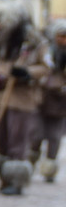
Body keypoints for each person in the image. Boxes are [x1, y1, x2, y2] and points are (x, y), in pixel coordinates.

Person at [0, 0, 47, 195]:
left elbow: (46, 67)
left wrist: (27, 72)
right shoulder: (2, 42)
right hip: (1, 97)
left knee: (17, 141)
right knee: (1, 139)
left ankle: (16, 181)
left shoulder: (35, 43)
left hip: (22, 100)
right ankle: (5, 177)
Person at [33, 19, 66, 182]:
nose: (63, 40)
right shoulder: (46, 50)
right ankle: (31, 162)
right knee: (36, 134)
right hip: (42, 98)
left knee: (54, 137)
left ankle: (49, 169)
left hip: (60, 102)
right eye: (61, 36)